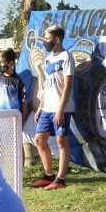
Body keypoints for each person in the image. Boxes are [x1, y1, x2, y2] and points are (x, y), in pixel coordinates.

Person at [31, 25, 75, 190]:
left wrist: (60, 110)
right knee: (39, 139)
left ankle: (60, 179)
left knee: (61, 141)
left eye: (47, 39)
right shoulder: (48, 58)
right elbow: (46, 85)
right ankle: (48, 175)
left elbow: (67, 86)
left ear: (57, 39)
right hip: (47, 108)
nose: (45, 42)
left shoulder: (66, 57)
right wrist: (41, 107)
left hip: (61, 109)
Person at [0, 48, 29, 146]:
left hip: (13, 119)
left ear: (10, 63)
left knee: (17, 145)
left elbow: (24, 103)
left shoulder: (19, 81)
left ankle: (19, 162)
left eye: (1, 62)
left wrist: (21, 121)